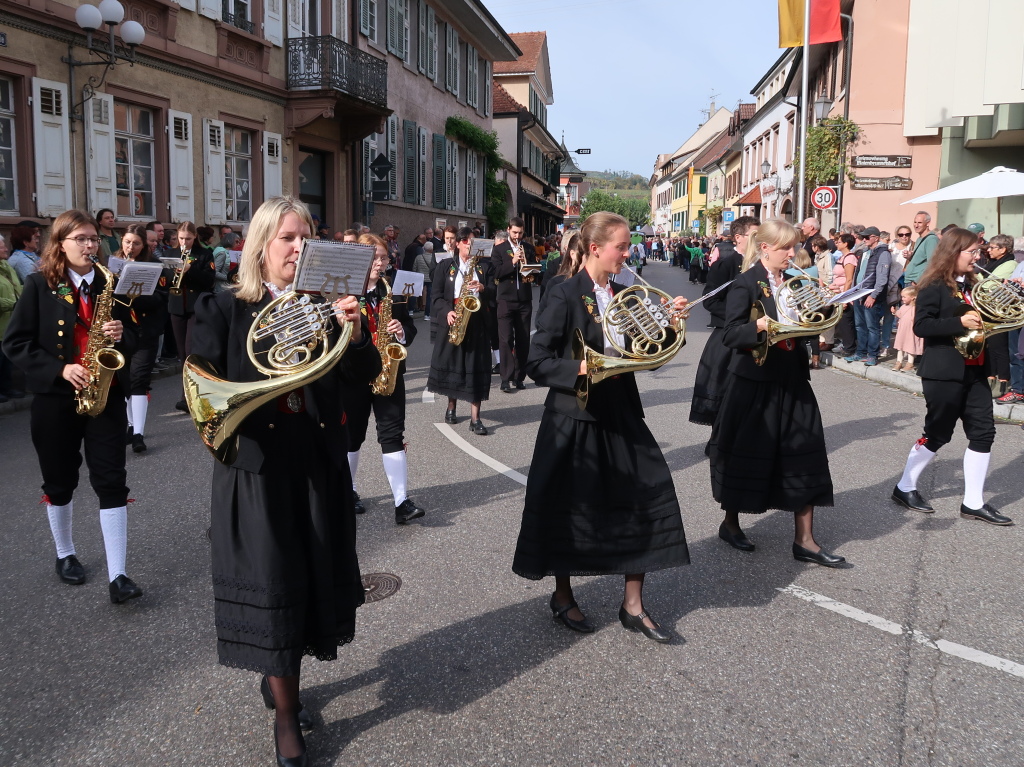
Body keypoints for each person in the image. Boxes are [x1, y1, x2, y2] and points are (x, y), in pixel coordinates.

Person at [191, 196, 380, 767]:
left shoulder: (325, 307)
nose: (299, 249)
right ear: (261, 247)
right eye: (288, 239)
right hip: (257, 467)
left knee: (310, 573)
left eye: (306, 238)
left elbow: (366, 377)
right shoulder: (224, 309)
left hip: (315, 462)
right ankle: (284, 714)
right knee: (274, 579)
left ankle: (285, 682)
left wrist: (353, 334)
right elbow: (201, 385)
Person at [512, 211, 690, 642]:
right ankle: (563, 594)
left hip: (621, 411)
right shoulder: (564, 293)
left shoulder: (627, 293)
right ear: (595, 248)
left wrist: (671, 323)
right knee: (571, 506)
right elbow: (536, 360)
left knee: (647, 495)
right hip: (575, 414)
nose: (628, 254)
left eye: (629, 247)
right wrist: (582, 367)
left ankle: (633, 605)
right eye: (622, 247)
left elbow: (652, 353)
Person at [2, 209, 143, 602]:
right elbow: (15, 344)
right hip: (56, 400)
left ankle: (119, 575)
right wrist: (59, 370)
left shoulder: (110, 286)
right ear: (59, 244)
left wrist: (121, 335)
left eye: (93, 238)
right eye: (80, 238)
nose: (89, 245)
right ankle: (65, 554)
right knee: (60, 480)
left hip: (106, 397)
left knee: (111, 479)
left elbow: (135, 337)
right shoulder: (37, 285)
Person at [709, 219, 847, 567]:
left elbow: (808, 323)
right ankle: (731, 522)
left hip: (791, 377)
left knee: (805, 452)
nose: (793, 253)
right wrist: (756, 327)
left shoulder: (795, 281)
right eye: (786, 247)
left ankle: (805, 540)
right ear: (766, 248)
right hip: (754, 381)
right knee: (747, 454)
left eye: (794, 247)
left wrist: (825, 309)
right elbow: (730, 335)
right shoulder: (745, 283)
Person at [891, 228, 1012, 526]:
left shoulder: (975, 284)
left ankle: (973, 502)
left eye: (978, 251)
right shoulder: (933, 285)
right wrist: (958, 321)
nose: (977, 256)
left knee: (984, 432)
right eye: (971, 251)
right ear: (953, 253)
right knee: (938, 433)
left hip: (976, 369)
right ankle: (904, 486)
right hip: (943, 370)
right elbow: (923, 326)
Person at [343, 234, 425, 524]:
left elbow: (411, 330)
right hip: (353, 374)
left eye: (384, 258)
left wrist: (401, 331)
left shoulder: (393, 291)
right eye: (375, 258)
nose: (381, 264)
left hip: (388, 372)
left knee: (392, 434)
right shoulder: (345, 293)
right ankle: (348, 490)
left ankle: (401, 502)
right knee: (352, 436)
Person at [689, 216, 760, 426]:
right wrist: (740, 317)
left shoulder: (763, 265)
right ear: (738, 237)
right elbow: (710, 301)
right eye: (755, 236)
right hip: (730, 336)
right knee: (726, 390)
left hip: (758, 336)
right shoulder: (726, 265)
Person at [427, 226, 493, 435]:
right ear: (458, 243)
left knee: (476, 366)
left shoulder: (484, 267)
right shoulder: (445, 266)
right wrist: (446, 312)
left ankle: (476, 418)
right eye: (466, 241)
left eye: (473, 242)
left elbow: (496, 292)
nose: (470, 245)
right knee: (452, 364)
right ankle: (451, 407)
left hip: (477, 321)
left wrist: (483, 288)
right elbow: (435, 296)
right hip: (454, 318)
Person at [116, 224, 172, 453]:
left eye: (136, 243)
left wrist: (134, 293)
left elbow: (160, 300)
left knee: (139, 379)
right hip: (120, 331)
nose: (131, 247)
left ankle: (138, 433)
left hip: (144, 330)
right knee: (124, 381)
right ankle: (129, 425)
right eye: (127, 242)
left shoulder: (155, 266)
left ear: (144, 245)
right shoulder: (112, 264)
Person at [167, 221, 216, 412]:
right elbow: (165, 281)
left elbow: (209, 281)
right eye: (180, 238)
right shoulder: (171, 254)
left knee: (190, 351)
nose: (184, 242)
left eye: (188, 238)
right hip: (177, 306)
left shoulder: (204, 254)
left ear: (194, 236)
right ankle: (188, 392)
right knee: (181, 353)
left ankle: (188, 395)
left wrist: (190, 270)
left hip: (196, 307)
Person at [491, 217, 537, 392]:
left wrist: (531, 269)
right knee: (505, 339)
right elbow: (495, 273)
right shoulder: (499, 249)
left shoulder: (529, 248)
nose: (517, 236)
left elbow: (534, 273)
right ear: (508, 230)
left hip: (524, 299)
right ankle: (505, 377)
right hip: (505, 299)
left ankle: (519, 377)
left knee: (523, 339)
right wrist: (512, 262)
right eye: (514, 232)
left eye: (520, 233)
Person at [844, 226, 891, 366]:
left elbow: (882, 278)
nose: (864, 240)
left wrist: (874, 295)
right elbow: (858, 274)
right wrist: (853, 292)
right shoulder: (865, 252)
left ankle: (872, 355)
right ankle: (860, 352)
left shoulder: (883, 253)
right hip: (859, 294)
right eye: (863, 237)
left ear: (876, 238)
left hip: (871, 295)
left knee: (872, 327)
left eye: (867, 237)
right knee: (860, 325)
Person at [981, 234, 1016, 397]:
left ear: (1003, 249)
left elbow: (989, 284)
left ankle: (1003, 381)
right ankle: (990, 377)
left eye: (992, 247)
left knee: (999, 347)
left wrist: (979, 279)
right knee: (989, 346)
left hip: (1000, 311)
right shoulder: (992, 263)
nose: (989, 250)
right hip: (988, 309)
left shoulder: (1010, 263)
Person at [0, 234, 25, 402]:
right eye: (2, 247)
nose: (6, 248)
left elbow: (17, 287)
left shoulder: (5, 266)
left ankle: (7, 388)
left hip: (9, 322)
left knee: (6, 359)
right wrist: (13, 304)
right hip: (2, 319)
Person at [892, 286, 923, 372]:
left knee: (910, 346)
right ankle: (899, 362)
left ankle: (910, 363)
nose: (902, 299)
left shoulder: (916, 308)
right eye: (902, 296)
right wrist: (895, 312)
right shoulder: (903, 306)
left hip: (911, 331)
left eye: (904, 297)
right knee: (900, 346)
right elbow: (900, 314)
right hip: (903, 330)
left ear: (913, 297)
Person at [904, 211, 938, 284]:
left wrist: (917, 281)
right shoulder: (919, 239)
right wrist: (910, 257)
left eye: (919, 222)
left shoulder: (931, 240)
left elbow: (932, 263)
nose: (916, 225)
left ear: (928, 223)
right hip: (910, 280)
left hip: (916, 282)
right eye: (915, 222)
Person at [412, 240, 435, 320]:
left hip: (419, 277)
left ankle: (410, 310)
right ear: (432, 249)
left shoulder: (418, 257)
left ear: (424, 248)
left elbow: (414, 267)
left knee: (415, 293)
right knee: (429, 296)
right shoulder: (434, 257)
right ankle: (427, 314)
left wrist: (415, 275)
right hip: (430, 278)